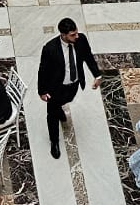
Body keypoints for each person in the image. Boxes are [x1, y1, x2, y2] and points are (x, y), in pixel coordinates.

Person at [37, 18, 99, 157]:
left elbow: (88, 57)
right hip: (55, 87)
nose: (77, 36)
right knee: (52, 114)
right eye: (73, 34)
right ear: (63, 35)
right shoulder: (50, 48)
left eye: (76, 33)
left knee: (67, 100)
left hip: (74, 84)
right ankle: (54, 142)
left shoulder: (81, 39)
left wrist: (97, 75)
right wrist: (42, 91)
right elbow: (43, 70)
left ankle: (59, 108)